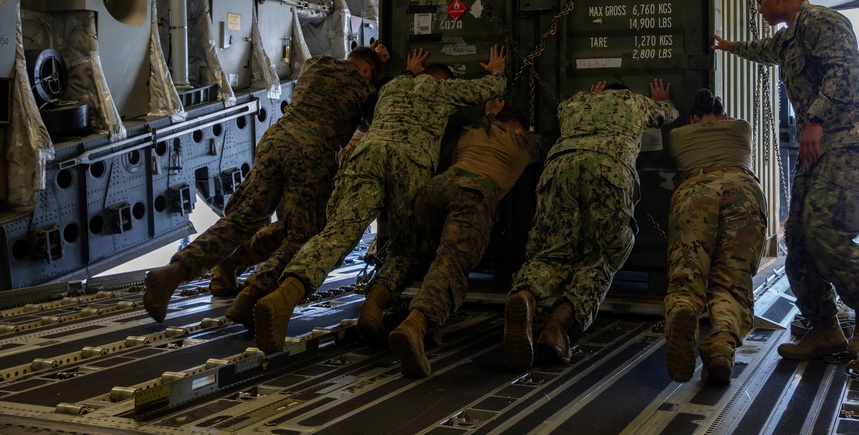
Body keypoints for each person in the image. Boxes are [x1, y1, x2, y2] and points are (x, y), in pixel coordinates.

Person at [252, 46, 508, 354]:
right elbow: (491, 88)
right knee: (403, 248)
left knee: (338, 233)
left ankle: (283, 298)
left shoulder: (392, 87)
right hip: (408, 163)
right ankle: (372, 310)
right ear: (443, 80)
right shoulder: (444, 89)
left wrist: (409, 71)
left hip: (367, 155)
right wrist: (496, 71)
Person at [712, 0, 859, 361]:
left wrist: (814, 120)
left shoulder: (823, 22)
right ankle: (824, 327)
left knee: (823, 227)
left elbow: (844, 72)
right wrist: (727, 47)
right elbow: (763, 50)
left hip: (851, 138)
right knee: (797, 237)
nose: (758, 7)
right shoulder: (788, 37)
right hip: (821, 146)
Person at [142, 45, 385, 326]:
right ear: (368, 72)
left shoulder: (315, 65)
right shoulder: (364, 89)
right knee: (305, 234)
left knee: (242, 219)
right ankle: (253, 294)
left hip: (274, 141)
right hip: (311, 154)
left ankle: (174, 272)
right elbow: (372, 125)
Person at [503, 78, 678, 371]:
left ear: (599, 91)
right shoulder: (634, 101)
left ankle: (525, 295)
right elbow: (669, 113)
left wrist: (589, 96)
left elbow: (561, 118)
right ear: (624, 91)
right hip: (609, 170)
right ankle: (559, 325)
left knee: (551, 251)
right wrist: (663, 100)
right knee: (603, 256)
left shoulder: (573, 103)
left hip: (560, 168)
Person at [388, 99, 551, 377]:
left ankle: (430, 326)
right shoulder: (523, 144)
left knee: (441, 259)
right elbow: (549, 142)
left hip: (433, 192)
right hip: (471, 194)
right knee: (452, 265)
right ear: (520, 130)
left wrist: (490, 115)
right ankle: (416, 324)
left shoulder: (472, 130)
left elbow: (484, 121)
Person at [663, 89, 767, 385]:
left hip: (696, 192)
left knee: (688, 273)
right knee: (733, 280)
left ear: (693, 118)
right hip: (744, 192)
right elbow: (727, 125)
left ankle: (683, 311)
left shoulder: (679, 136)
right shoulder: (741, 127)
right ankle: (721, 349)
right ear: (724, 116)